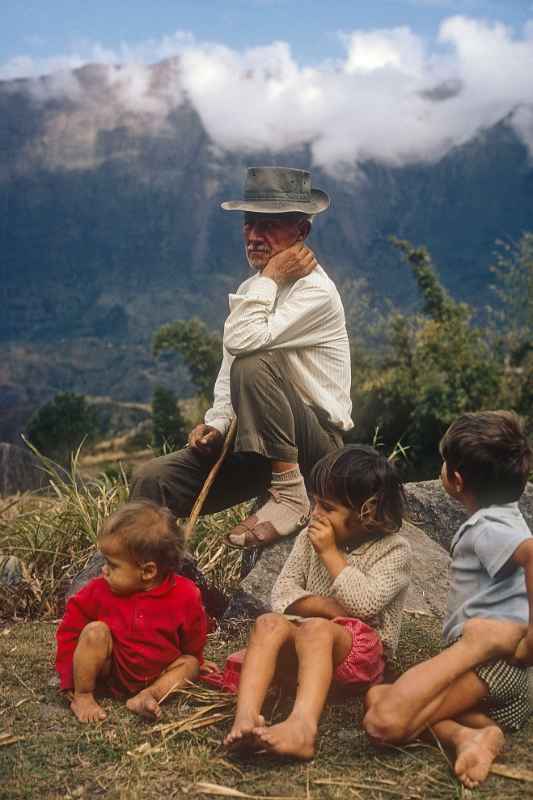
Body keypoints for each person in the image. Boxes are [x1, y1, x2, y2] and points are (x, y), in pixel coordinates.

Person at [131, 166, 353, 548]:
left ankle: (289, 494)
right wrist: (216, 425)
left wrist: (270, 277)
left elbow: (246, 346)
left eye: (269, 225)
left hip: (313, 451)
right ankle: (157, 573)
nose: (253, 236)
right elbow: (228, 367)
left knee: (255, 362)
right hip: (256, 445)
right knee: (152, 479)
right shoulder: (253, 289)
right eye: (249, 224)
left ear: (301, 232)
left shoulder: (316, 292)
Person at [363, 410, 533, 789]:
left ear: (455, 479)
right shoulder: (503, 517)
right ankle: (471, 734)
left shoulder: (489, 526)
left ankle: (474, 658)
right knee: (377, 694)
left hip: (490, 661)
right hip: (504, 684)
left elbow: (531, 554)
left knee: (382, 719)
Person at [223, 444, 411, 758]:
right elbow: (281, 594)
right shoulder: (307, 538)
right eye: (315, 503)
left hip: (361, 655)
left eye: (327, 507)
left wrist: (330, 554)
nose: (316, 514)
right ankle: (245, 716)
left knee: (315, 630)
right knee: (267, 623)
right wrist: (324, 607)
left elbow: (363, 606)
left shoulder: (394, 551)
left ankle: (302, 727)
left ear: (368, 513)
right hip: (307, 642)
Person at [56, 500, 208, 723]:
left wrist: (198, 662)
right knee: (94, 632)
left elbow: (193, 639)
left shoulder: (186, 594)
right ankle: (84, 696)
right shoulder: (97, 590)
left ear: (147, 571)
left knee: (190, 664)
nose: (103, 570)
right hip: (111, 673)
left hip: (160, 671)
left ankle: (149, 695)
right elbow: (69, 632)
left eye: (113, 565)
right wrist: (71, 678)